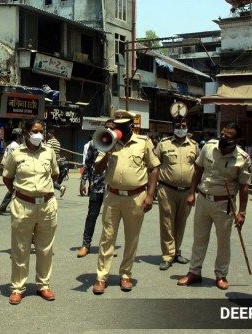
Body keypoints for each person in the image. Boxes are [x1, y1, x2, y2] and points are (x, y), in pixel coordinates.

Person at [92, 111, 160, 294]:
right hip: (113, 196)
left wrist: (150, 195)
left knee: (131, 238)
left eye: (122, 127)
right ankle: (101, 277)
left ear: (131, 126)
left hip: (136, 196)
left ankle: (125, 275)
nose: (118, 130)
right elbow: (98, 169)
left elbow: (154, 168)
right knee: (107, 237)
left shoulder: (144, 142)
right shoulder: (107, 142)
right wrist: (108, 151)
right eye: (116, 127)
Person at [177, 123, 250, 290]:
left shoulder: (242, 157)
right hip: (203, 199)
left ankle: (221, 274)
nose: (223, 139)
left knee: (223, 241)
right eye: (222, 134)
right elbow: (198, 170)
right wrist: (191, 193)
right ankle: (194, 272)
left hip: (225, 203)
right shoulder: (209, 147)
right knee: (199, 238)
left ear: (236, 140)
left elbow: (244, 186)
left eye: (228, 137)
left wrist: (242, 212)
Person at [2, 119, 59, 305]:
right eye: (35, 131)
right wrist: (21, 194)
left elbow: (55, 174)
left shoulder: (49, 152)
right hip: (22, 205)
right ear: (26, 133)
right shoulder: (16, 153)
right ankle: (17, 288)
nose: (39, 135)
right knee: (20, 248)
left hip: (47, 205)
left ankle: (43, 285)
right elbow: (7, 178)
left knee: (45, 248)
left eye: (41, 131)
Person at [155, 116, 199, 270]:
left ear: (188, 128)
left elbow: (199, 170)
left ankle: (176, 252)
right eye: (178, 125)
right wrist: (152, 189)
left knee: (181, 223)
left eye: (184, 125)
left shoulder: (194, 146)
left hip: (187, 191)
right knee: (167, 223)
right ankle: (167, 255)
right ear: (172, 127)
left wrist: (194, 192)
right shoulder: (163, 144)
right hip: (167, 190)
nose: (181, 128)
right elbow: (154, 166)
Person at [77, 119, 115, 258]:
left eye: (112, 128)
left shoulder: (119, 144)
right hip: (96, 186)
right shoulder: (95, 143)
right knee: (92, 216)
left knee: (110, 218)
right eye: (107, 127)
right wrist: (83, 182)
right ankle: (86, 245)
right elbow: (87, 163)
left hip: (112, 187)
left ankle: (108, 246)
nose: (109, 130)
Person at [0, 128, 23, 215]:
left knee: (14, 189)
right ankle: (2, 208)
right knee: (12, 189)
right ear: (17, 137)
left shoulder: (10, 145)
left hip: (9, 169)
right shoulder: (15, 146)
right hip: (12, 170)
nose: (22, 138)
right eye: (20, 136)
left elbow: (4, 160)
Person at [46, 129, 67, 197]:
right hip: (56, 161)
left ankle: (60, 187)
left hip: (50, 161)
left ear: (52, 134)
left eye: (49, 133)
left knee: (47, 178)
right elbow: (57, 153)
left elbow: (47, 151)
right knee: (52, 177)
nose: (48, 135)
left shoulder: (50, 141)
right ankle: (52, 192)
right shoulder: (58, 142)